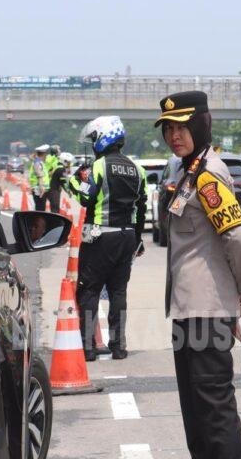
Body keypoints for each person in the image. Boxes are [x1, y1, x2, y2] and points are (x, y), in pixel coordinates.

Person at [155, 91, 241, 459]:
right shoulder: (186, 171)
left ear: (200, 125)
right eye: (168, 128)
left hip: (207, 312)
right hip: (188, 310)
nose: (173, 135)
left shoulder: (208, 174)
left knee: (214, 411)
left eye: (182, 127)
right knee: (195, 411)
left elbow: (237, 238)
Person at [68, 116, 146, 361]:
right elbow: (141, 209)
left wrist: (73, 181)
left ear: (104, 138)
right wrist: (139, 239)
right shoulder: (137, 168)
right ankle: (118, 347)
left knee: (89, 290)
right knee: (118, 292)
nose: (92, 143)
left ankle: (88, 348)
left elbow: (86, 198)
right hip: (128, 237)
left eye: (94, 138)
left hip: (102, 236)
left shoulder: (100, 166)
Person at [29, 144, 50, 211]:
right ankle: (38, 221)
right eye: (46, 154)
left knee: (40, 208)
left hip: (39, 189)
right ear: (43, 154)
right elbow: (40, 176)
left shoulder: (38, 162)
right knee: (40, 209)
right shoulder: (38, 163)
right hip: (39, 189)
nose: (46, 155)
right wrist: (42, 188)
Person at [45, 144, 62, 211]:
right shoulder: (53, 159)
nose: (60, 151)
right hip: (52, 185)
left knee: (54, 205)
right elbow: (48, 171)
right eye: (59, 149)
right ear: (55, 151)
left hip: (52, 184)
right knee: (55, 206)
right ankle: (55, 220)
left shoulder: (50, 158)